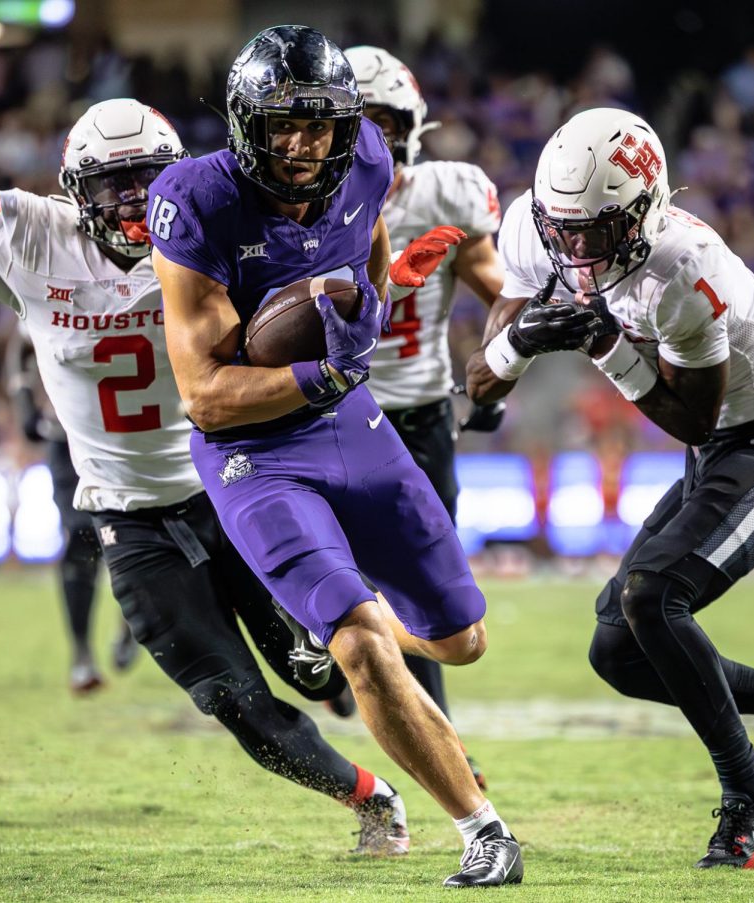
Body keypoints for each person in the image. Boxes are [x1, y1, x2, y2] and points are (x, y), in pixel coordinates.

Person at [0, 69, 409, 854]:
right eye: (111, 183)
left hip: (234, 484)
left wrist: (379, 291)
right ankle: (373, 799)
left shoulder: (215, 226)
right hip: (128, 518)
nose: (131, 201)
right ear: (71, 190)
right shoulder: (29, 238)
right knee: (234, 700)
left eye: (145, 181)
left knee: (319, 671)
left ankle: (397, 722)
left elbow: (325, 274)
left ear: (177, 180)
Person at [465, 107, 754, 868]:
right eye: (564, 227)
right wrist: (519, 339)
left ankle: (751, 790)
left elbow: (692, 419)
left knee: (651, 594)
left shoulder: (681, 266)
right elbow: (481, 385)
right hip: (728, 442)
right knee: (618, 650)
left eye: (595, 229)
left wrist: (603, 344)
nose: (576, 247)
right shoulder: (537, 231)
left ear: (642, 211)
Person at [150, 26, 522, 888]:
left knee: (462, 641)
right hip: (253, 452)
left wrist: (383, 296)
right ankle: (485, 830)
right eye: (282, 123)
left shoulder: (365, 162)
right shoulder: (196, 201)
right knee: (359, 646)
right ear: (245, 121)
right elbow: (204, 395)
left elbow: (369, 245)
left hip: (350, 420)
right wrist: (323, 370)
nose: (302, 142)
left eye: (320, 123)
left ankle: (340, 619)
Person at [341, 44, 506, 786]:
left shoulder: (445, 194)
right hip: (334, 415)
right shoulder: (306, 206)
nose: (372, 139)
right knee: (338, 596)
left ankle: (440, 745)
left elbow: (500, 289)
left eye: (383, 121)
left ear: (409, 127)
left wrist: (500, 368)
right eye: (359, 122)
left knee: (427, 601)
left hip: (420, 416)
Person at [6, 327, 137, 692]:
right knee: (80, 537)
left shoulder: (136, 274)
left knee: (131, 532)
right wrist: (23, 400)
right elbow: (21, 342)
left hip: (124, 431)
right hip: (66, 435)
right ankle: (82, 653)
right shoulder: (50, 277)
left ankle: (133, 620)